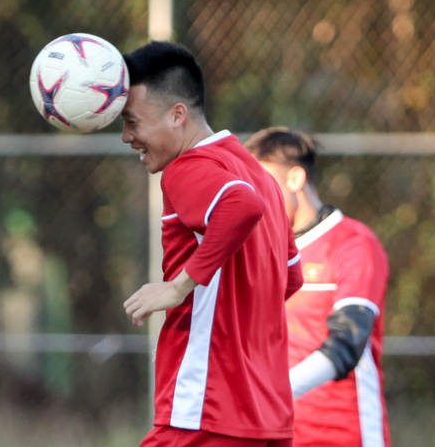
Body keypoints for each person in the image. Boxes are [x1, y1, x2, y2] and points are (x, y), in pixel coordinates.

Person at [121, 41, 303, 447]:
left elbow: (240, 206)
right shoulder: (261, 177)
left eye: (132, 122)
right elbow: (290, 278)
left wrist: (178, 286)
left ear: (177, 115)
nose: (126, 137)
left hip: (206, 412)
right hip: (267, 417)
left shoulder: (188, 169)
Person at [244, 127, 391, 447]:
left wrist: (276, 392)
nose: (254, 198)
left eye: (262, 184)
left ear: (295, 179)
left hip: (345, 435)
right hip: (276, 435)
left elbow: (347, 343)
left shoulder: (354, 243)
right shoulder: (257, 249)